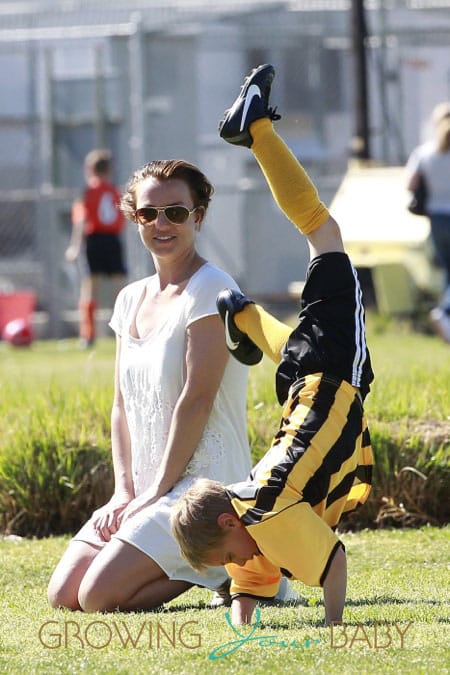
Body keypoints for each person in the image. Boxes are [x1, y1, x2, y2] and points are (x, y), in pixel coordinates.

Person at [171, 64, 375, 627]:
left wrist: (335, 630)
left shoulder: (266, 514)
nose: (235, 566)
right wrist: (242, 627)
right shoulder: (245, 511)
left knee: (321, 231)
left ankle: (255, 128)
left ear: (228, 525)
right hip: (304, 392)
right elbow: (248, 581)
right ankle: (243, 317)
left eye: (227, 557)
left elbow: (333, 564)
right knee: (297, 341)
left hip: (330, 377)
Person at [49, 155, 297, 612]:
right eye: (148, 213)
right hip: (145, 486)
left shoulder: (212, 288)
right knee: (64, 596)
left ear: (197, 217)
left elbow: (196, 400)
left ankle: (228, 567)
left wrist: (155, 492)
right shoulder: (128, 299)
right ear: (134, 218)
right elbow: (121, 405)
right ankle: (220, 570)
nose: (161, 223)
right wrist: (125, 491)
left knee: (97, 597)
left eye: (176, 212)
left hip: (200, 490)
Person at [65, 149, 127, 347]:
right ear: (109, 170)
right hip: (113, 240)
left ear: (90, 169)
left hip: (94, 240)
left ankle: (88, 336)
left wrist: (75, 246)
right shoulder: (115, 191)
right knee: (120, 288)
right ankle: (126, 331)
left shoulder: (87, 191)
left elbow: (81, 220)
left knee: (90, 287)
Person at [406, 103, 450, 343]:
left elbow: (410, 185)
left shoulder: (424, 153)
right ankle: (444, 311)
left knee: (446, 269)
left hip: (436, 218)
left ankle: (446, 320)